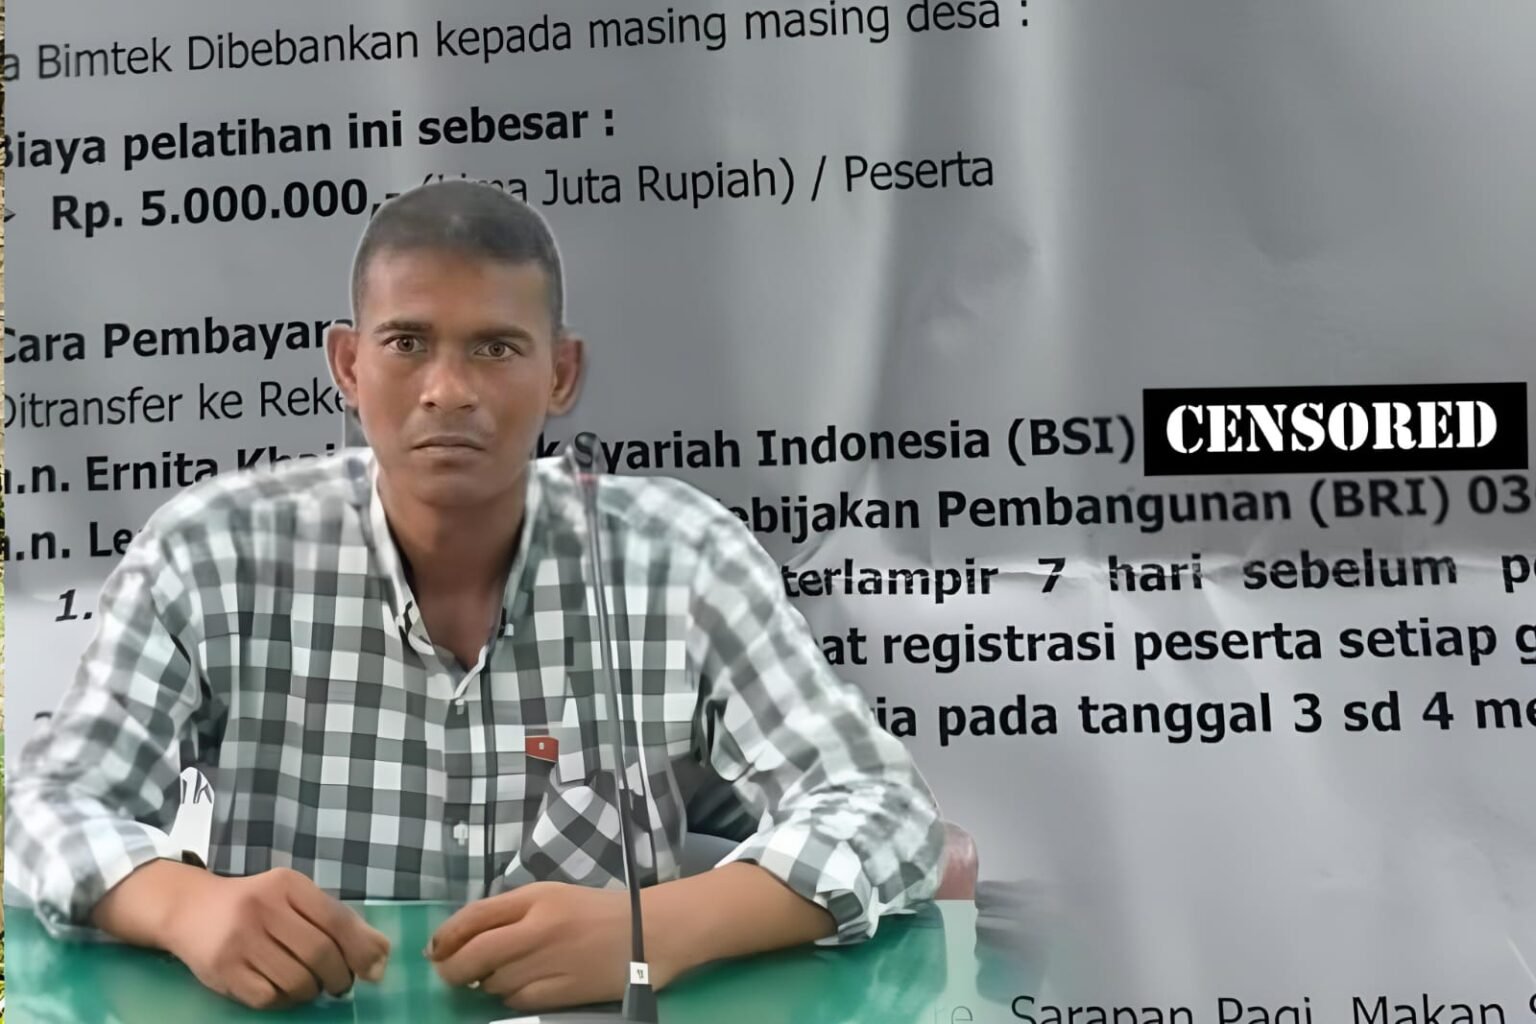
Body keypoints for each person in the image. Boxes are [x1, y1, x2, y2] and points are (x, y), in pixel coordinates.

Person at [4, 180, 947, 1014]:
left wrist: (658, 929)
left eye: (495, 348)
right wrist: (183, 904)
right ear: (348, 365)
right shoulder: (214, 551)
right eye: (407, 343)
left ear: (561, 374)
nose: (448, 391)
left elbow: (884, 811)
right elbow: (42, 807)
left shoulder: (680, 558)